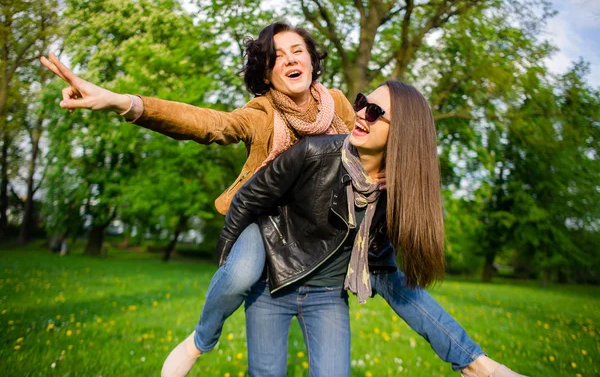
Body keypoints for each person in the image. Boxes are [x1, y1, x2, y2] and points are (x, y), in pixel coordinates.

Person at [41, 22, 521, 377]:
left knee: (388, 272)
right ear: (266, 73)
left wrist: (391, 183)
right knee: (244, 272)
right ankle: (200, 339)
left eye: (298, 50)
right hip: (263, 219)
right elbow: (209, 124)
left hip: (319, 240)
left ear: (312, 60)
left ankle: (473, 363)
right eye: (276, 55)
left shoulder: (340, 106)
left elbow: (377, 145)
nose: (290, 59)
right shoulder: (261, 113)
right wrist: (124, 102)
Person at [219, 81, 525, 377]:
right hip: (274, 282)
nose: (362, 112)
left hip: (326, 295)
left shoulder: (389, 193)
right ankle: (475, 365)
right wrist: (228, 268)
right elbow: (248, 199)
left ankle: (475, 364)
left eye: (376, 111)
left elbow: (386, 274)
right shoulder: (318, 153)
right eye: (362, 102)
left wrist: (398, 185)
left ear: (402, 135)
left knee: (396, 290)